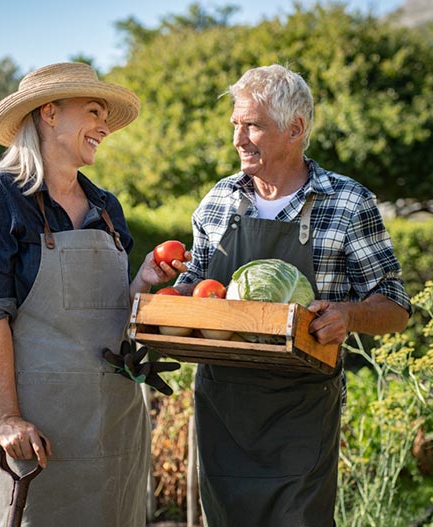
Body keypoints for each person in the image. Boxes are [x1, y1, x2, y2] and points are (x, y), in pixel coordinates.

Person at [174, 64, 412, 527]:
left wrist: (350, 315)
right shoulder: (219, 200)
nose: (238, 139)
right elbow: (198, 288)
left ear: (295, 129)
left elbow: (396, 306)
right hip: (223, 411)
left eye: (253, 125)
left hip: (301, 414)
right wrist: (166, 284)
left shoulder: (347, 203)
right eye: (235, 125)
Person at [0, 62, 183, 527]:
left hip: (117, 421)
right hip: (43, 432)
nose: (104, 126)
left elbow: (109, 311)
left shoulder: (106, 206)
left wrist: (142, 281)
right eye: (94, 111)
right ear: (50, 113)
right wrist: (6, 420)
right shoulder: (0, 198)